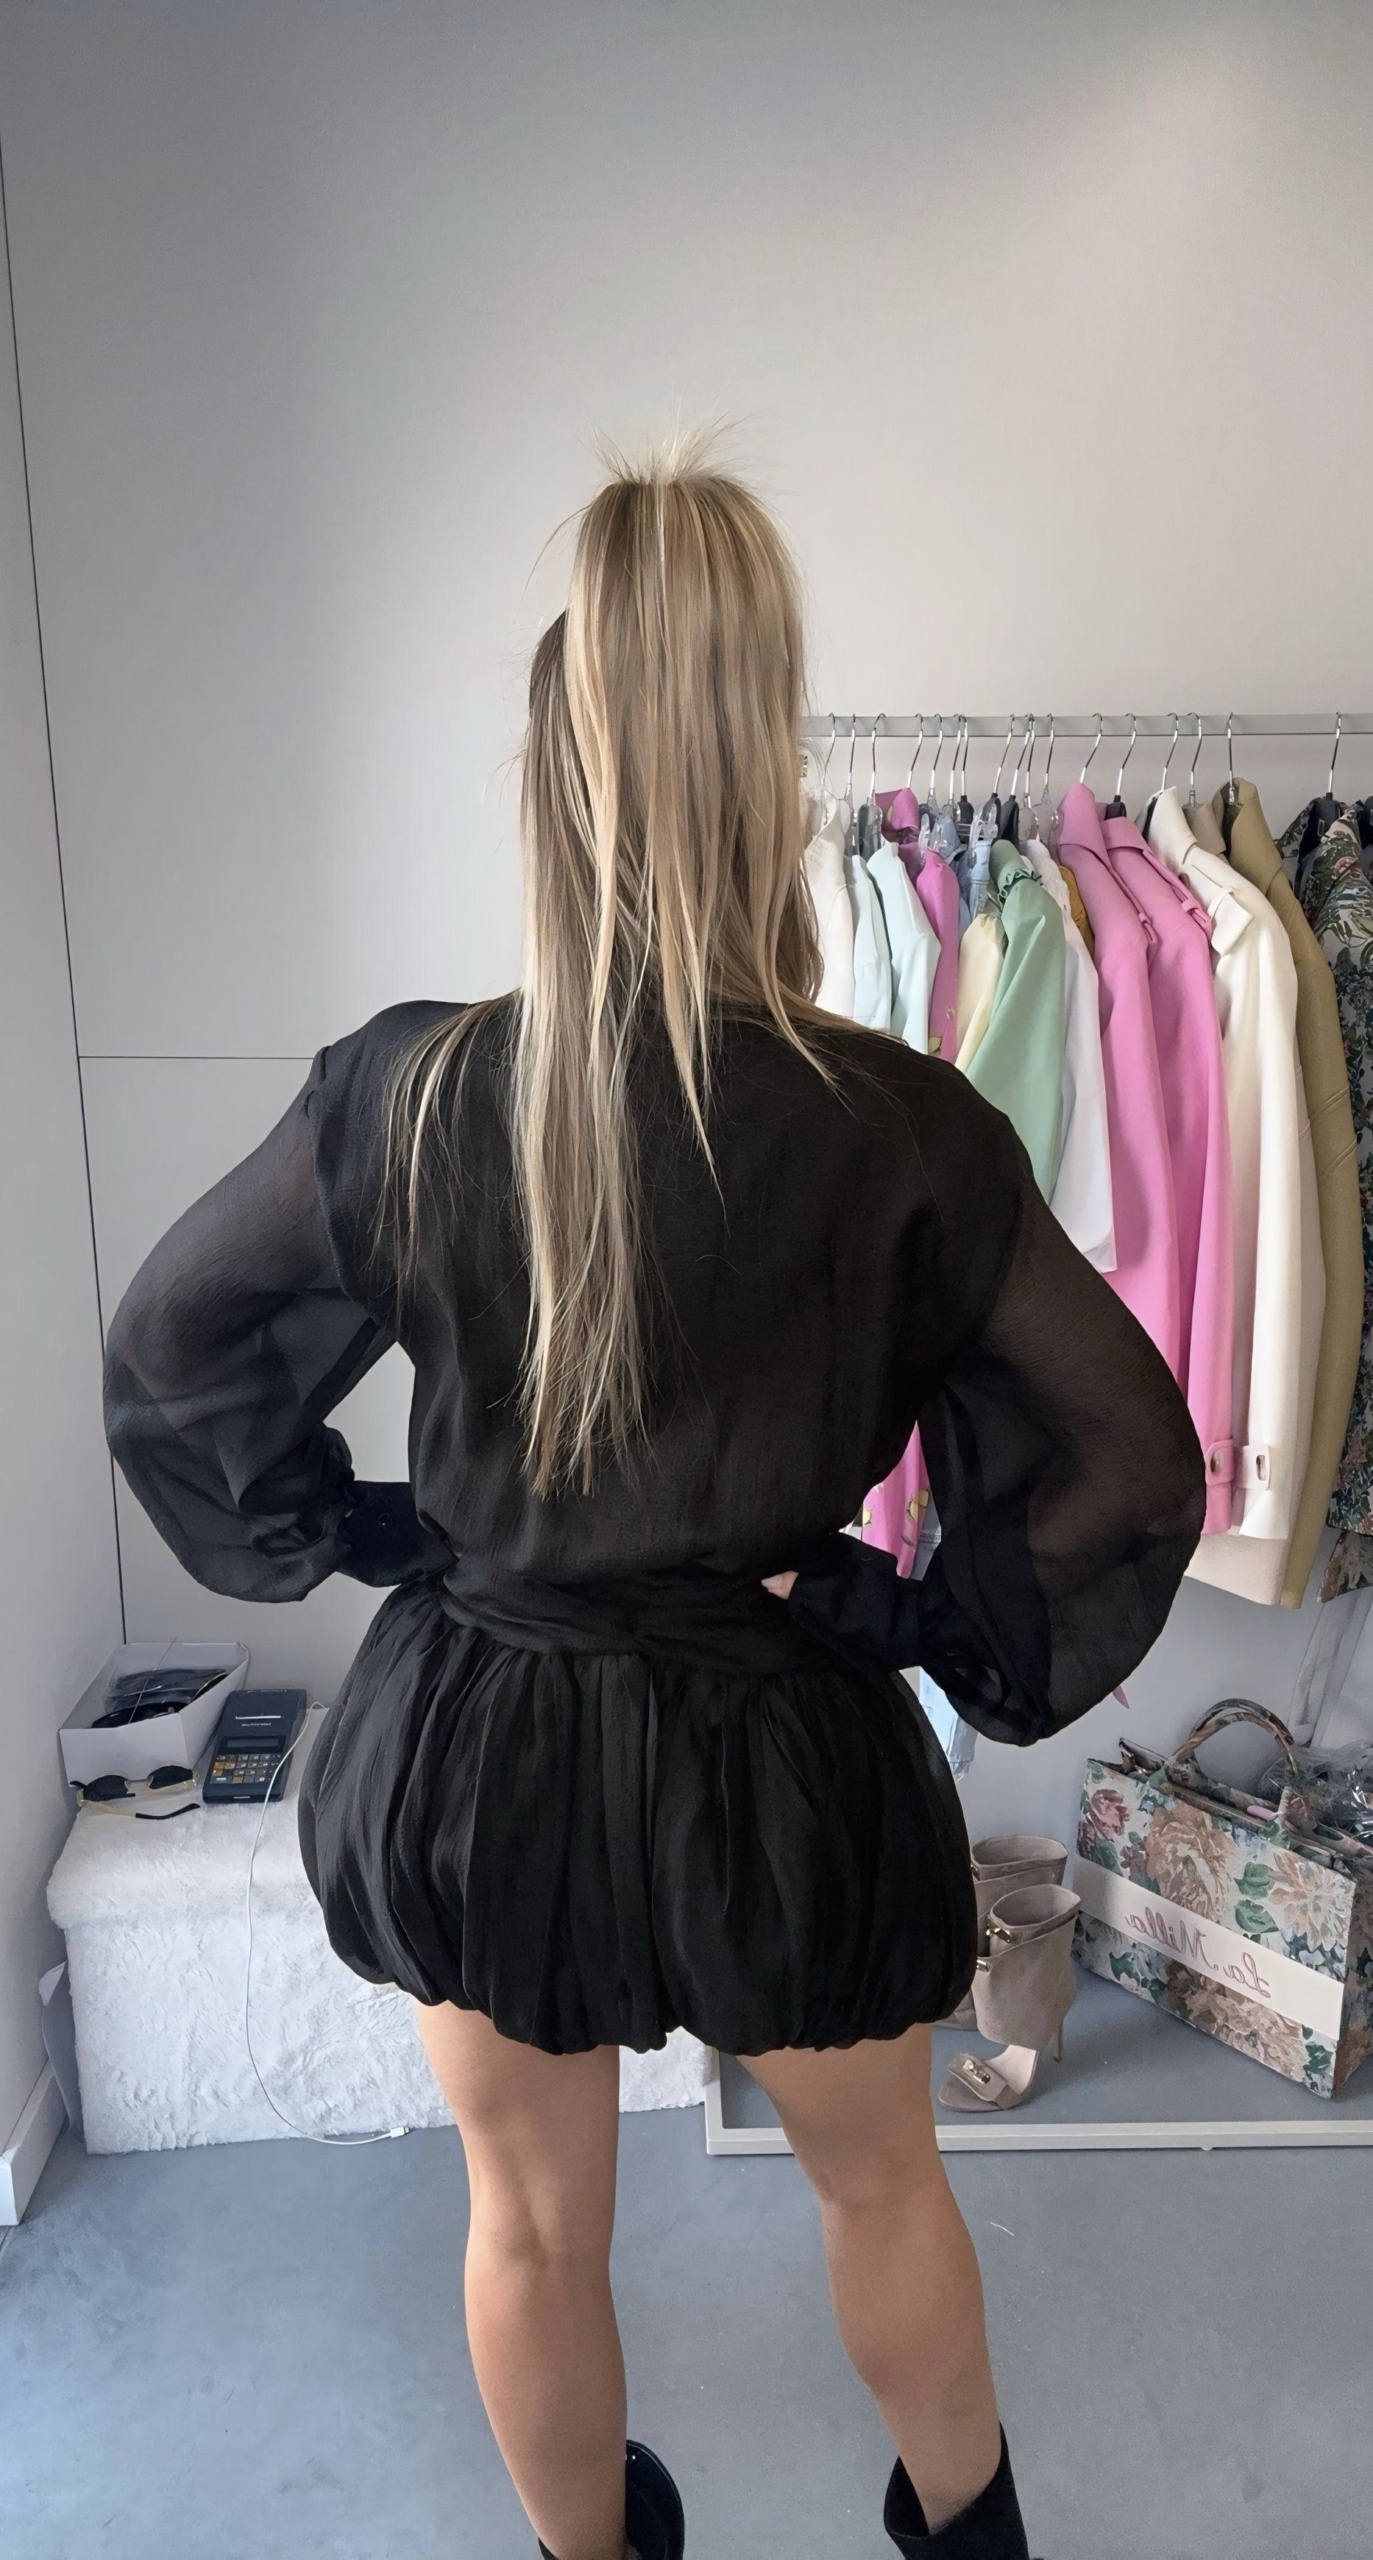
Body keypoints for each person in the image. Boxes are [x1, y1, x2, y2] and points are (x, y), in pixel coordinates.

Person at [104, 444, 1204, 2560]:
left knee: (528, 2222)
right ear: (764, 775)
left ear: (555, 782)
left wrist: (380, 1535)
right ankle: (972, 2539)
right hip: (786, 1757)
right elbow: (1130, 1457)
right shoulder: (906, 1128)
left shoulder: (407, 1089)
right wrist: (902, 1619)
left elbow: (171, 1350)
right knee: (883, 2186)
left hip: (481, 1751)